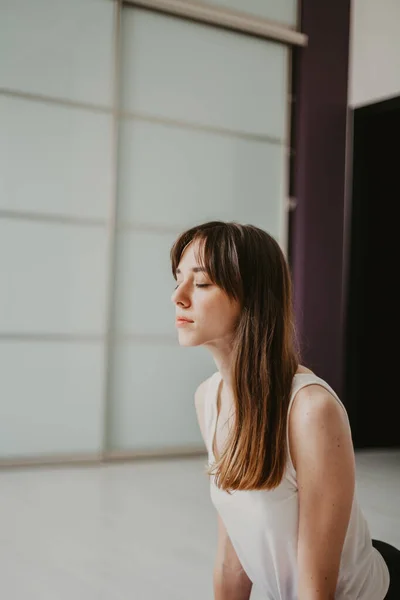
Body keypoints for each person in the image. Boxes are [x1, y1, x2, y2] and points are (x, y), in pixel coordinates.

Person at [170, 220, 400, 600]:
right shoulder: (208, 398)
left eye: (202, 282)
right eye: (178, 278)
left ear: (252, 297)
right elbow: (232, 563)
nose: (179, 296)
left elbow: (316, 591)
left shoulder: (311, 410)